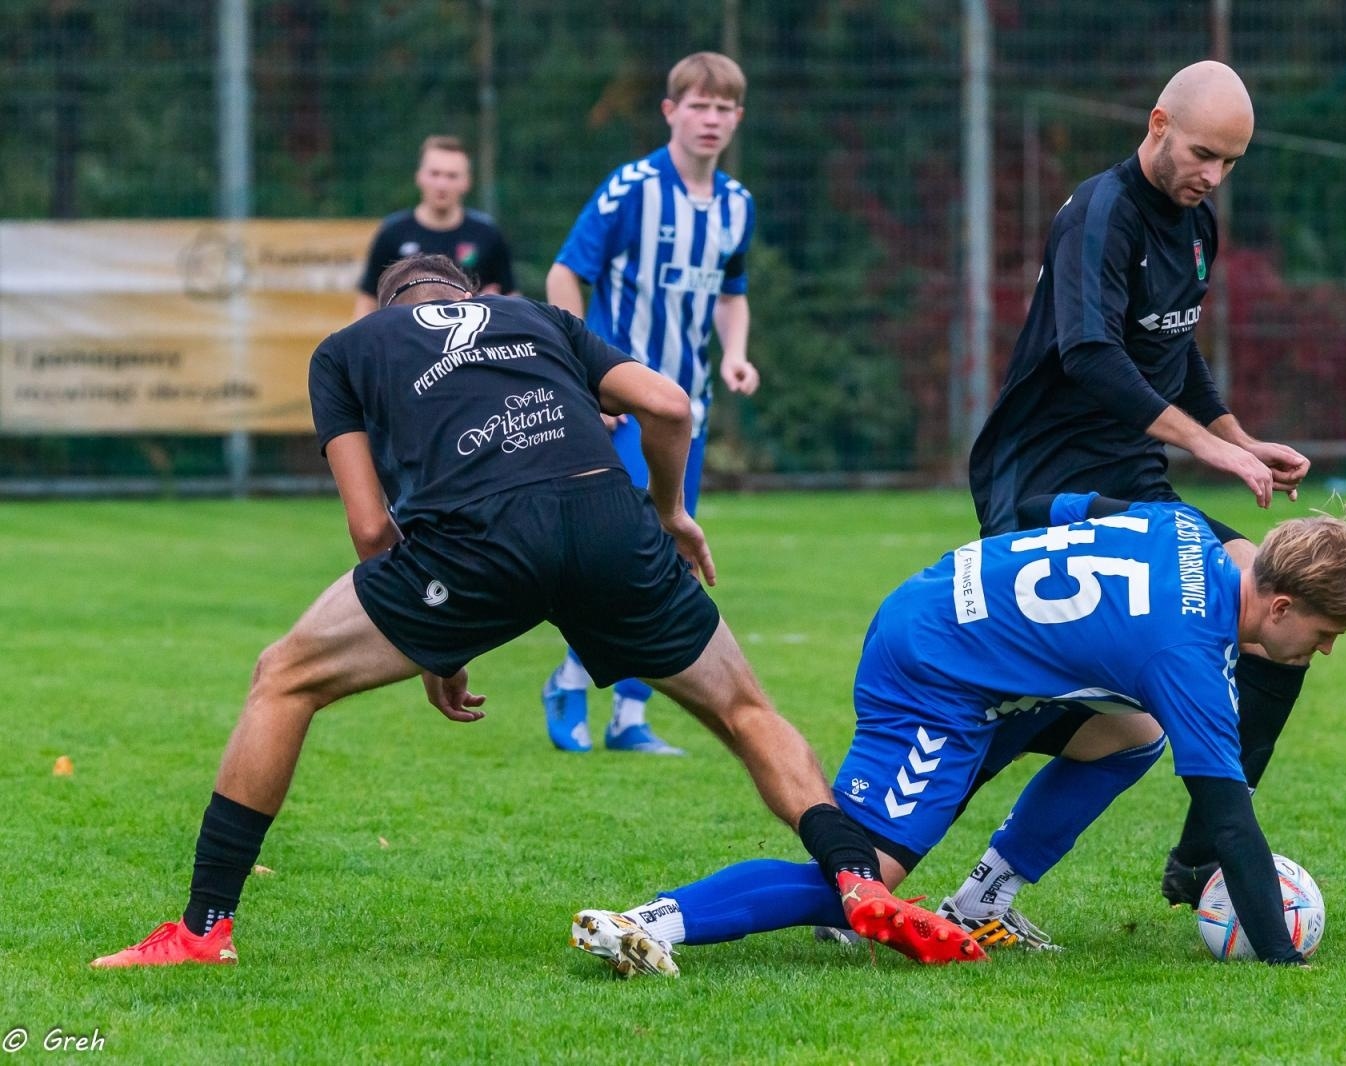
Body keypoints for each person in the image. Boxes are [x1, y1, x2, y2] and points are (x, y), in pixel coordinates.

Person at [90, 254, 973, 969]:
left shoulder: (351, 349)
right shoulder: (537, 322)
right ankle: (859, 880)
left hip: (476, 543)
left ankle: (205, 929)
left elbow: (369, 529)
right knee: (747, 714)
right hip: (606, 523)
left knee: (282, 679)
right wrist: (668, 513)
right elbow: (669, 405)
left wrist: (440, 643)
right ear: (473, 297)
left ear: (388, 306)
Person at [571, 493, 1346, 977]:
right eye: (1323, 633)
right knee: (865, 876)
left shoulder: (1185, 532)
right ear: (1278, 607)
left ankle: (983, 898)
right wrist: (1281, 959)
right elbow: (1229, 818)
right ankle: (649, 922)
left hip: (954, 619)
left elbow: (1055, 508)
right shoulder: (1188, 654)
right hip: (934, 671)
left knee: (1132, 730)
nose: (1324, 650)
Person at [964, 60, 1323, 914]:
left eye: (1231, 163)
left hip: (1131, 482)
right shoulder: (1100, 214)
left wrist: (1240, 439)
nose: (1212, 175)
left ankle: (1200, 860)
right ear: (1158, 123)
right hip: (1042, 483)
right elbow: (1091, 355)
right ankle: (871, 852)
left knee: (1283, 615)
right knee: (1048, 708)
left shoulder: (1198, 227)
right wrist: (1210, 450)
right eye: (1203, 153)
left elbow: (1173, 347)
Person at [540, 51, 760, 756]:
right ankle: (571, 675)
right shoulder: (631, 188)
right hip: (622, 404)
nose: (711, 119)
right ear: (670, 111)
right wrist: (580, 375)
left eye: (724, 108)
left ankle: (630, 717)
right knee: (620, 550)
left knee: (670, 549)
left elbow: (731, 292)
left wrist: (733, 353)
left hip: (684, 409)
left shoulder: (736, 205)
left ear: (737, 119)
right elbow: (565, 273)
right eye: (698, 105)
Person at [352, 135, 517, 319]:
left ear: (467, 182)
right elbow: (367, 301)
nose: (442, 184)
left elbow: (511, 299)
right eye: (435, 173)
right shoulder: (392, 233)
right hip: (405, 342)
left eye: (451, 176)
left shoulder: (488, 234)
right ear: (419, 176)